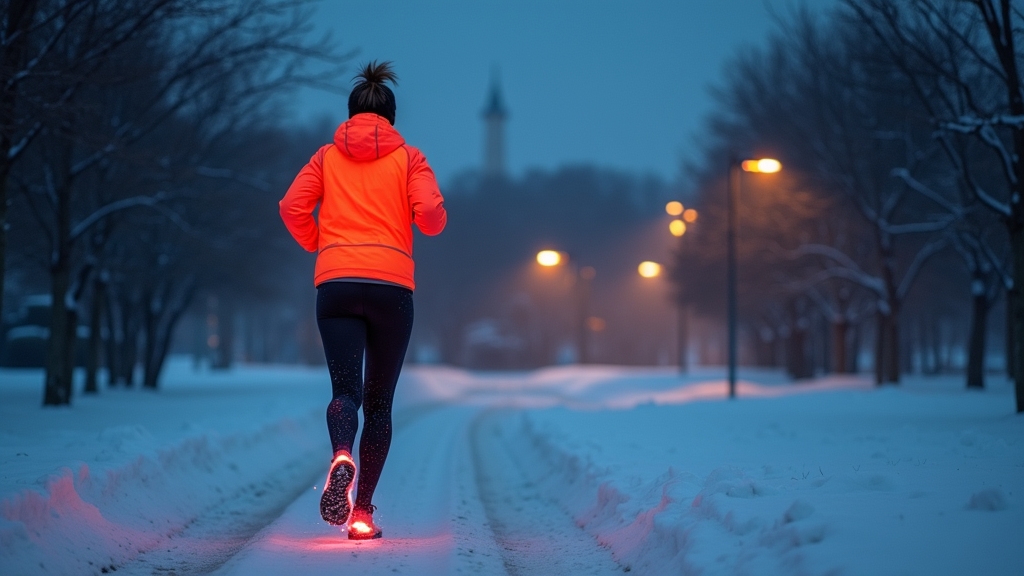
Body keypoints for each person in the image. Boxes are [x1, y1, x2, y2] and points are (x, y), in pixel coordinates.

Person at [279, 61, 446, 540]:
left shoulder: (325, 158)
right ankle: (363, 514)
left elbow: (291, 206)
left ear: (351, 115)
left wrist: (320, 245)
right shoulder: (410, 159)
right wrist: (421, 219)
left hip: (337, 285)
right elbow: (431, 215)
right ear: (390, 118)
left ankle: (340, 454)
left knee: (345, 393)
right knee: (379, 404)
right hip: (392, 288)